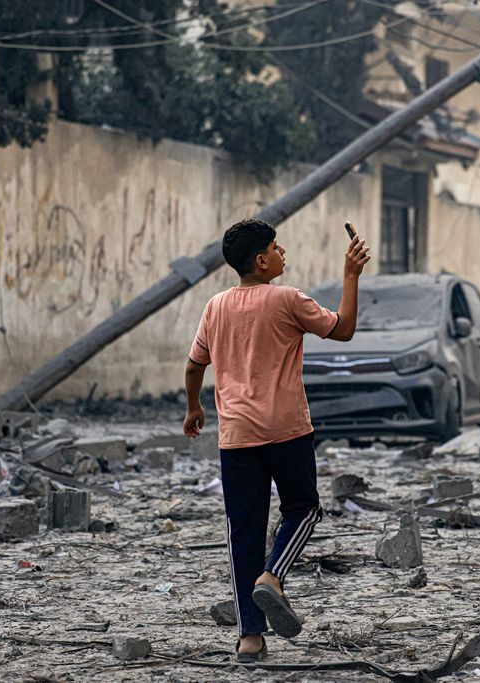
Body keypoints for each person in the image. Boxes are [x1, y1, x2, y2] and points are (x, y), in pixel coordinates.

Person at [182, 218, 370, 663]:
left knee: (243, 531)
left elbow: (194, 367)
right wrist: (350, 275)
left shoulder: (215, 307)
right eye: (277, 248)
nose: (284, 252)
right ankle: (273, 576)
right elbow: (342, 329)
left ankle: (250, 637)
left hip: (237, 437)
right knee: (303, 510)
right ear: (263, 261)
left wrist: (194, 408)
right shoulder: (288, 300)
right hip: (287, 430)